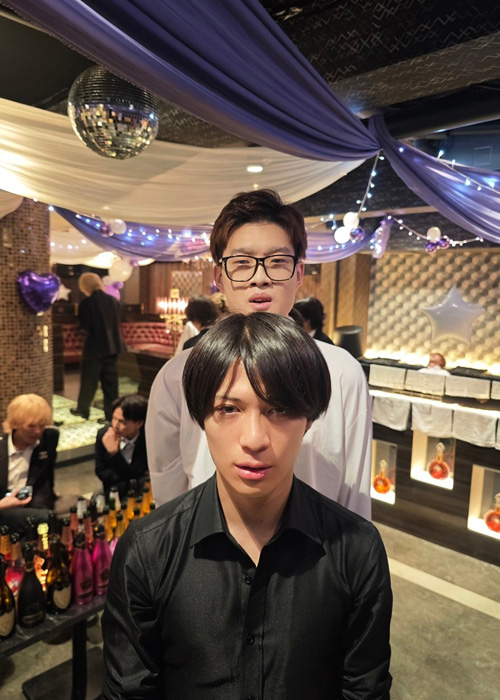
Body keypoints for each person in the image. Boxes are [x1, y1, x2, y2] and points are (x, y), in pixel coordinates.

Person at [102, 314, 392, 700]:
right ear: (201, 416)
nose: (254, 439)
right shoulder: (147, 550)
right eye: (229, 409)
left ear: (309, 419)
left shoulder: (357, 549)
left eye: (279, 409)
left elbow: (365, 690)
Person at [146, 188, 372, 519]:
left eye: (278, 262)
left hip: (316, 545)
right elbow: (169, 491)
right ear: (219, 277)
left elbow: (354, 492)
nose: (260, 278)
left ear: (298, 274)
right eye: (242, 263)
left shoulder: (340, 371)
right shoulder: (178, 375)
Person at [70, 272, 126, 421]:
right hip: (113, 346)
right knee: (111, 384)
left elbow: (85, 326)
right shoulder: (113, 301)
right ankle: (111, 416)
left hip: (94, 347)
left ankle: (83, 410)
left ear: (85, 286)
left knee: (89, 380)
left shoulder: (86, 303)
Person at [0, 394, 59, 531]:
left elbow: (48, 473)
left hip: (34, 503)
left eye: (42, 425)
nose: (38, 431)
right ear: (15, 424)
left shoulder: (49, 438)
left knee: (47, 518)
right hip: (4, 505)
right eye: (31, 426)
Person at [95, 394, 149, 501]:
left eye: (122, 422)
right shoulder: (104, 435)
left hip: (141, 493)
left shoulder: (148, 438)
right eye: (114, 418)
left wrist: (115, 454)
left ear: (139, 423)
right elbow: (101, 472)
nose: (115, 425)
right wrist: (132, 475)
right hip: (114, 491)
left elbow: (143, 473)